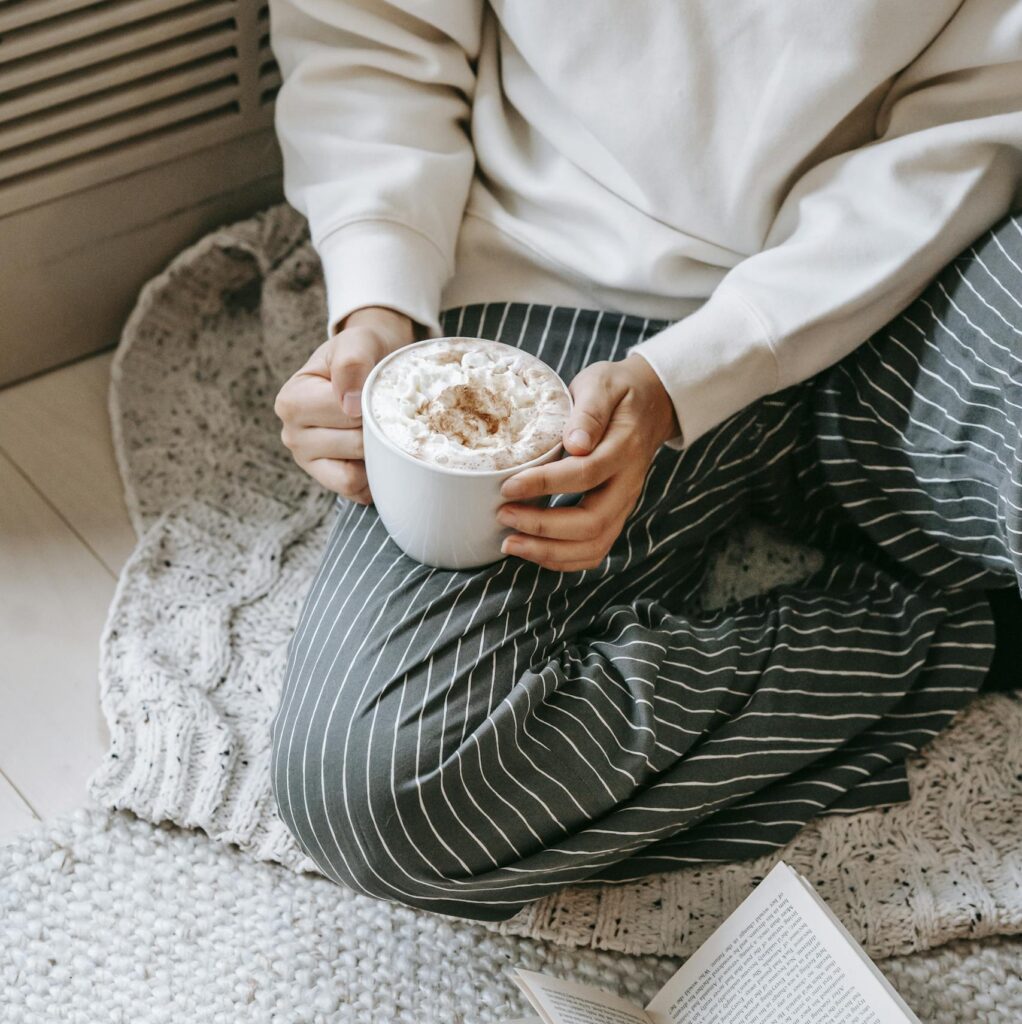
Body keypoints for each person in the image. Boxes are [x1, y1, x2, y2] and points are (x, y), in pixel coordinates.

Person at [265, 0, 1022, 920]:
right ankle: (962, 636)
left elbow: (978, 115)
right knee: (379, 789)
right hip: (557, 286)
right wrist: (378, 298)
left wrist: (704, 369)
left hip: (921, 277)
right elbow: (372, 31)